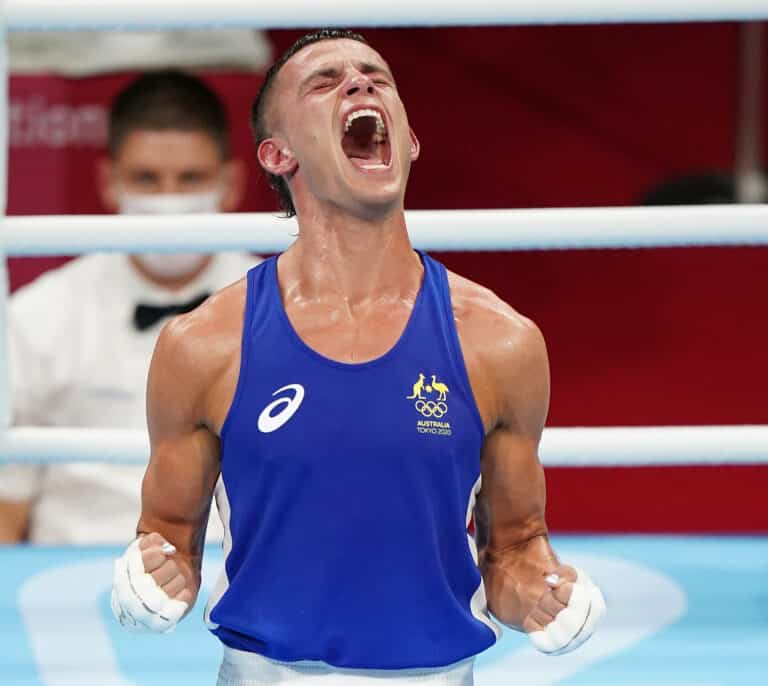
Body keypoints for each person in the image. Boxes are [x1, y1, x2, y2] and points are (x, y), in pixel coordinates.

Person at [110, 30, 606, 684]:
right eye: (324, 81)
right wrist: (148, 582)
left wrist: (546, 594)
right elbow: (169, 537)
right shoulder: (205, 344)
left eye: (377, 76)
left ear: (411, 139)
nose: (360, 83)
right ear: (277, 154)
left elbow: (513, 547)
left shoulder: (500, 342)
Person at [0, 71, 260, 544]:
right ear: (108, 180)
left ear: (230, 183)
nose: (168, 201)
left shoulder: (286, 310)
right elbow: (5, 511)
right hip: (60, 594)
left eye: (190, 179)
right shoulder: (34, 317)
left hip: (235, 588)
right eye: (146, 179)